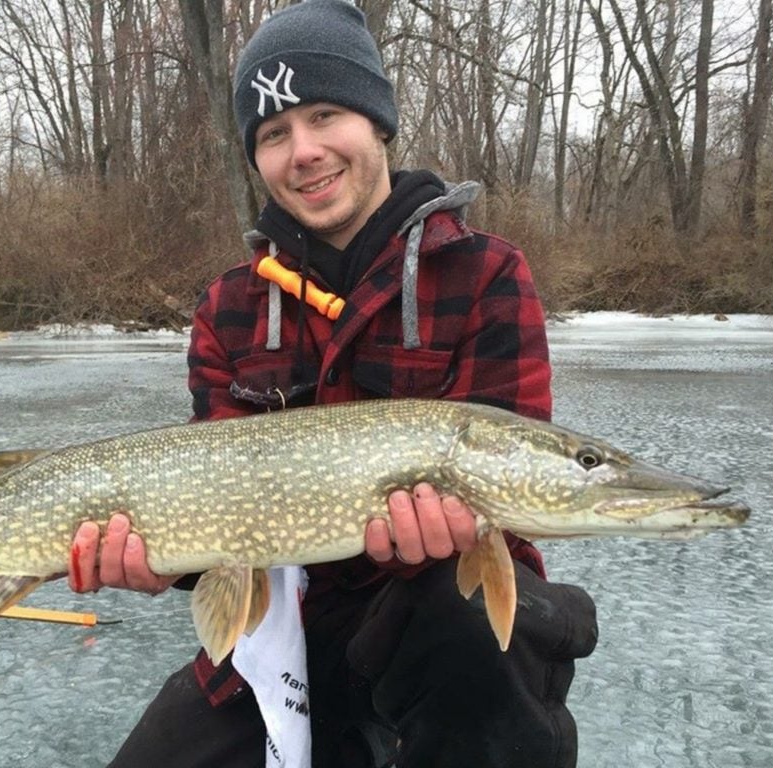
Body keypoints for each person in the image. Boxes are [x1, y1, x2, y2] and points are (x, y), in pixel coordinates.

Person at [69, 1, 598, 765]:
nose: (304, 151)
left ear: (377, 121)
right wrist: (163, 561)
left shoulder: (485, 273)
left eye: (324, 115)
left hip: (439, 635)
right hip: (283, 633)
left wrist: (451, 539)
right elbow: (223, 525)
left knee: (473, 613)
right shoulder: (228, 308)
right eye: (274, 134)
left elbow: (507, 516)